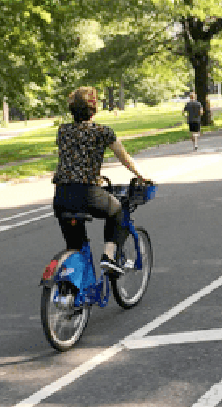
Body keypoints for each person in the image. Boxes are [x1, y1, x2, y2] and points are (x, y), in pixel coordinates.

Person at [52, 86, 153, 275]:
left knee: (75, 247)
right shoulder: (102, 132)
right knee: (117, 211)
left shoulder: (62, 131)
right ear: (93, 109)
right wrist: (142, 176)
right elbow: (125, 158)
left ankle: (74, 290)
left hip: (61, 195)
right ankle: (109, 256)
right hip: (87, 193)